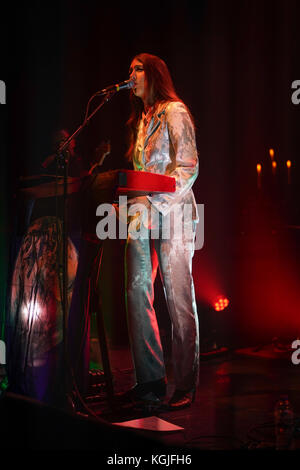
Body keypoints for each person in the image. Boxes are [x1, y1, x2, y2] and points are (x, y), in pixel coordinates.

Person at [123, 53, 199, 410]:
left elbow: (187, 166)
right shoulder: (141, 119)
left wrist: (158, 204)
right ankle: (150, 379)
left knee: (178, 296)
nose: (131, 75)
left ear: (153, 74)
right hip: (141, 212)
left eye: (137, 68)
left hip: (173, 211)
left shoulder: (175, 111)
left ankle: (186, 383)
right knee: (137, 288)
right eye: (130, 70)